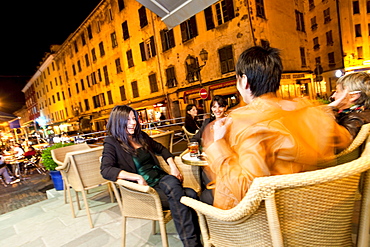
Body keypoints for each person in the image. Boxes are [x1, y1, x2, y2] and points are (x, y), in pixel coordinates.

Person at [201, 46, 352, 210]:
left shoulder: (247, 124)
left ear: (244, 81)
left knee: (204, 195)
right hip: (324, 215)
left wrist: (218, 144)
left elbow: (247, 191)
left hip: (275, 226)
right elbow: (345, 141)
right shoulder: (313, 114)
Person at [100, 105, 202, 247]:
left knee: (175, 184)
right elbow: (106, 170)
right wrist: (137, 177)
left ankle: (193, 243)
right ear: (118, 121)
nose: (133, 122)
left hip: (163, 180)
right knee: (189, 194)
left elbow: (162, 149)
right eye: (128, 119)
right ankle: (194, 243)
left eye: (134, 118)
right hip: (146, 191)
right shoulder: (112, 142)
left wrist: (173, 167)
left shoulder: (140, 136)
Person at [329, 72, 370, 138]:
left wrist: (329, 109)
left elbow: (334, 140)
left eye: (337, 92)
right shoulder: (362, 113)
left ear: (353, 96)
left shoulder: (354, 119)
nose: (333, 96)